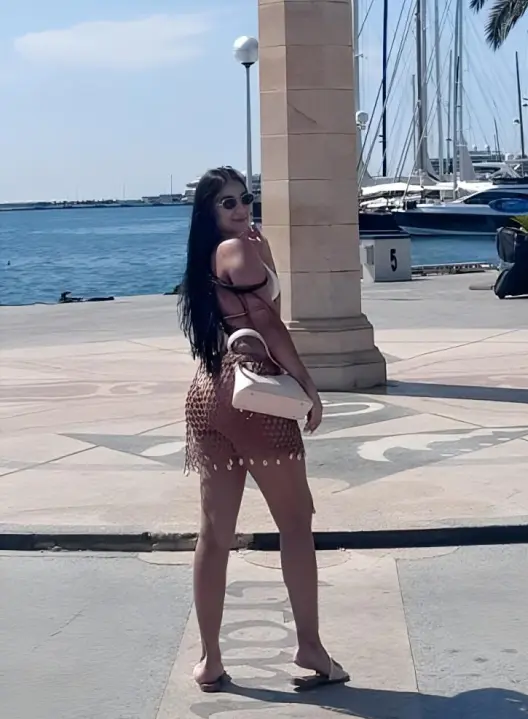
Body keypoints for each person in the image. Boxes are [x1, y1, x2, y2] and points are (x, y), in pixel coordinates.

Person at [178, 166, 349, 693]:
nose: (240, 209)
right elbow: (269, 325)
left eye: (245, 199)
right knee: (295, 524)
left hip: (208, 393)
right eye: (227, 203)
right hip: (254, 397)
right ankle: (310, 646)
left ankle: (210, 660)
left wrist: (267, 254)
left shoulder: (208, 256)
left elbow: (242, 314)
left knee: (214, 533)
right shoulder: (239, 251)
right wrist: (308, 385)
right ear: (209, 212)